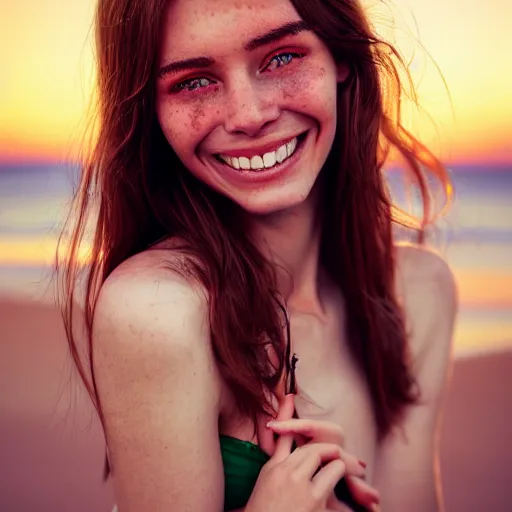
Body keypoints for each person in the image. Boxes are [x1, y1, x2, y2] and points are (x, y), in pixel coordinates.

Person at [59, 0, 458, 510]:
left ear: (339, 53)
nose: (249, 116)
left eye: (282, 57)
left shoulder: (419, 295)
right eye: (192, 82)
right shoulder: (157, 309)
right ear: (152, 112)